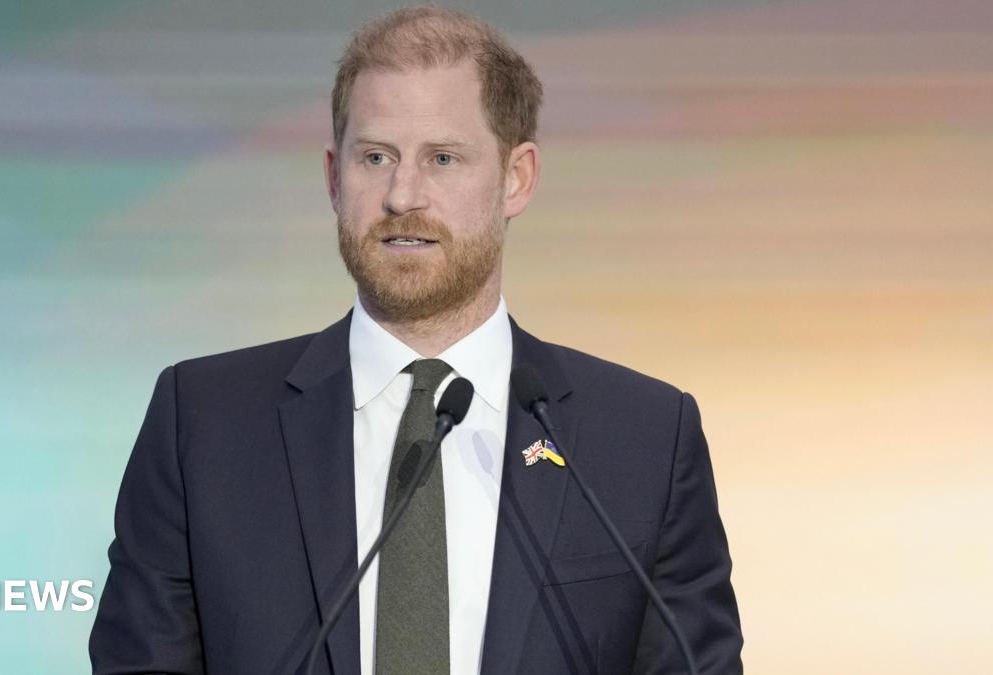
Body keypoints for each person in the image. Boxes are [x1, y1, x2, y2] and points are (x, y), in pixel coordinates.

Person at [89, 6, 742, 674]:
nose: (404, 195)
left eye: (443, 158)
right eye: (375, 157)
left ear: (517, 178)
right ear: (333, 177)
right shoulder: (202, 422)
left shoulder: (643, 440)